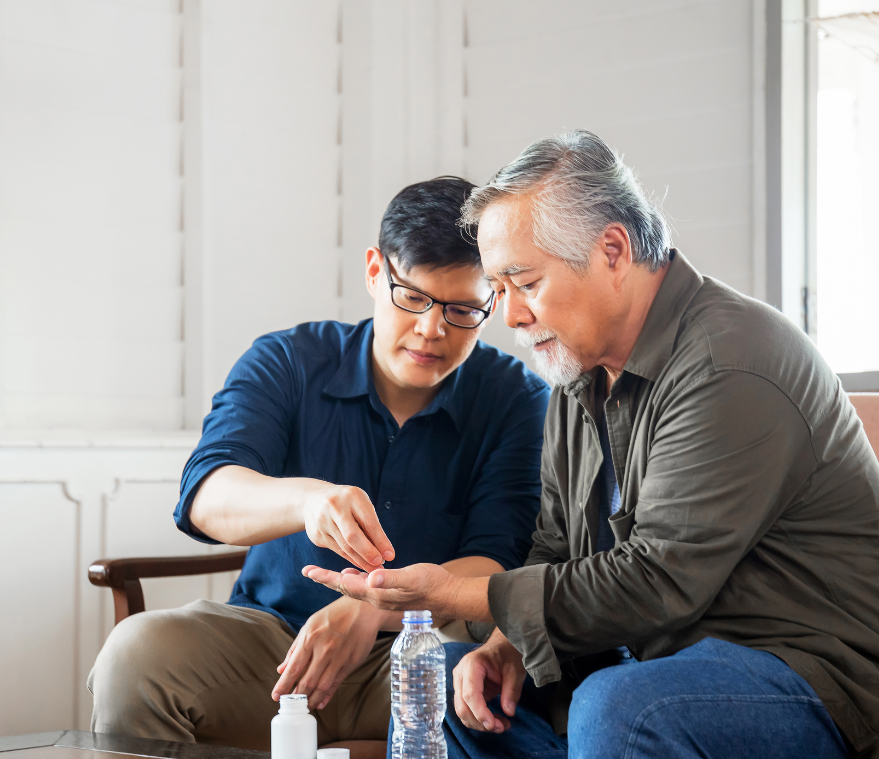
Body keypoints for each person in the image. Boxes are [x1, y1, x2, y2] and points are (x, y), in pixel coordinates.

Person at [304, 132, 879, 759]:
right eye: (501, 289)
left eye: (524, 282)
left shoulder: (730, 362)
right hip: (640, 660)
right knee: (447, 681)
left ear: (612, 250)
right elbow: (553, 546)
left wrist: (448, 593)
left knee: (623, 710)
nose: (512, 317)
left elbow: (657, 581)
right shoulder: (577, 373)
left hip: (804, 675)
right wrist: (505, 645)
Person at [87, 177, 550, 758]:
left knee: (492, 691)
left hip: (426, 653)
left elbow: (497, 561)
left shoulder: (518, 400)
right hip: (271, 648)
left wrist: (370, 606)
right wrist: (306, 500)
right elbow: (207, 494)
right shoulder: (288, 361)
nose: (433, 329)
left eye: (462, 310)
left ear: (494, 302)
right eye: (413, 297)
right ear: (374, 272)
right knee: (137, 655)